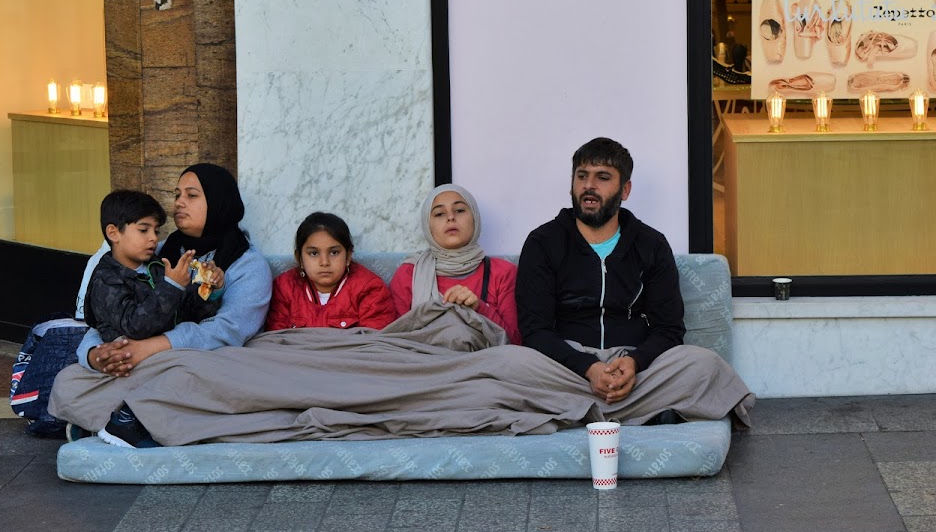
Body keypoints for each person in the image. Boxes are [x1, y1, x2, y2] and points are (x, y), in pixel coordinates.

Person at [516, 137, 754, 425]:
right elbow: (536, 330)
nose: (589, 186)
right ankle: (642, 412)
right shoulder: (543, 242)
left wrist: (634, 362)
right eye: (582, 176)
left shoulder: (650, 244)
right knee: (506, 363)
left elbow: (669, 329)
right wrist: (588, 367)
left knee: (702, 364)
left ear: (624, 190)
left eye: (602, 177)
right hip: (567, 367)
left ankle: (577, 412)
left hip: (633, 370)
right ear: (572, 184)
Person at [48, 163, 273, 446]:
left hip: (204, 360)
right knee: (68, 382)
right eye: (177, 194)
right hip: (140, 356)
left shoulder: (248, 265)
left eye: (191, 195)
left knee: (187, 375)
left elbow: (227, 331)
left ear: (219, 202)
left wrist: (151, 346)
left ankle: (112, 422)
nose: (179, 202)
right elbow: (111, 314)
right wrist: (96, 354)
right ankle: (136, 421)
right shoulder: (157, 249)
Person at [84, 190, 221, 344]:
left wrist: (210, 287)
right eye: (143, 230)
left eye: (156, 231)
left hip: (168, 349)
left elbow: (189, 313)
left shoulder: (157, 266)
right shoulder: (106, 279)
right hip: (131, 359)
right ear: (113, 233)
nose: (154, 238)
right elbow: (135, 327)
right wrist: (172, 287)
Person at [390, 184, 520, 345]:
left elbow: (514, 342)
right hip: (424, 363)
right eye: (439, 213)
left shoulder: (502, 272)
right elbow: (394, 340)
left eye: (459, 210)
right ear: (427, 226)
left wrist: (479, 307)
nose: (450, 217)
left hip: (483, 364)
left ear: (475, 218)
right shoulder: (410, 273)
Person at [265, 212, 396, 331]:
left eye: (334, 252)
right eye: (314, 253)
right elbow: (275, 343)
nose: (325, 262)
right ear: (299, 258)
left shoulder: (370, 289)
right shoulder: (284, 288)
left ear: (348, 256)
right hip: (294, 357)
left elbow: (375, 346)